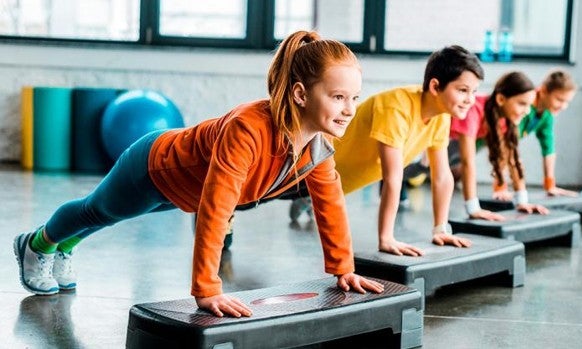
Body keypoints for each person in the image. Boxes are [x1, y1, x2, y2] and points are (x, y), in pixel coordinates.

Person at [13, 30, 384, 318]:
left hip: (181, 191)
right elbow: (217, 208)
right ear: (301, 94)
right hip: (154, 168)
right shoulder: (249, 128)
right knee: (96, 211)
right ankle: (36, 244)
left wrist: (343, 270)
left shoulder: (317, 148)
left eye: (355, 97)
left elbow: (329, 205)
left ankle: (66, 245)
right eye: (338, 97)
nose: (350, 109)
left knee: (110, 216)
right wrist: (207, 288)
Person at [290, 45, 483, 256]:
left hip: (333, 184)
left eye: (474, 92)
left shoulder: (441, 116)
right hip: (304, 170)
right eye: (463, 90)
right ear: (436, 87)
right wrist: (386, 238)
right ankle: (304, 198)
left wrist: (441, 229)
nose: (470, 99)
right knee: (250, 198)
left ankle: (307, 200)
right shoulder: (396, 107)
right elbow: (392, 178)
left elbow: (442, 176)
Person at [449, 71, 549, 220]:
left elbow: (513, 159)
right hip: (442, 140)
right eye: (522, 104)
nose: (527, 111)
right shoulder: (474, 109)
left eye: (529, 105)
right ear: (501, 99)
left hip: (459, 141)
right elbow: (467, 162)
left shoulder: (506, 119)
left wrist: (522, 201)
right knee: (418, 168)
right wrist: (473, 209)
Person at [511, 69, 578, 198]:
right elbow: (508, 147)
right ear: (544, 90)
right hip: (470, 138)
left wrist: (550, 184)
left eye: (567, 102)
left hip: (484, 145)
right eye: (559, 99)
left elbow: (549, 150)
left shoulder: (547, 115)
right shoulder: (525, 104)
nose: (563, 106)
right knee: (459, 170)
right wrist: (500, 187)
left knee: (459, 172)